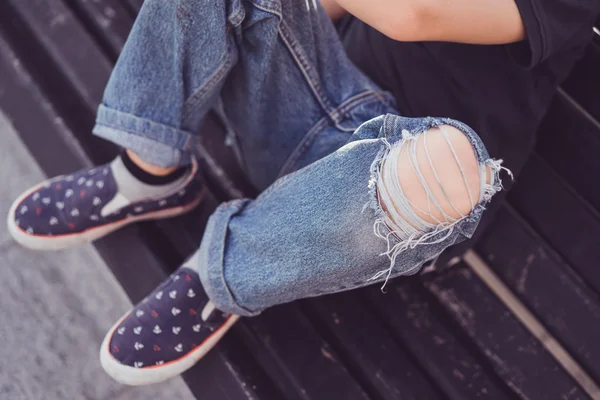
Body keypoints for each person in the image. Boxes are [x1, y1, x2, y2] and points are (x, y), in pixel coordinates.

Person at [6, 0, 598, 387]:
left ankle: (223, 275)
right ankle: (150, 173)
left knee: (450, 164)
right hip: (315, 120)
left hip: (398, 205)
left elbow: (414, 13)